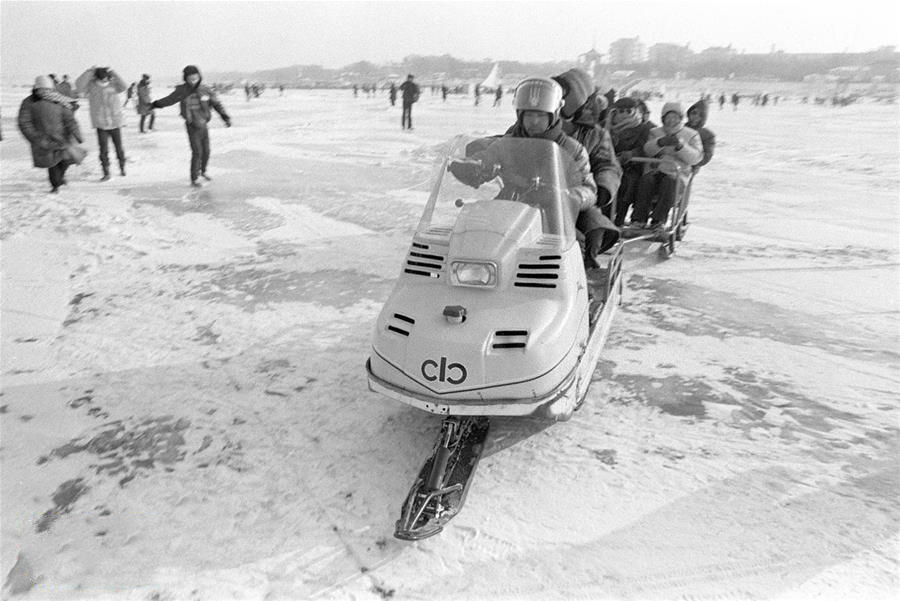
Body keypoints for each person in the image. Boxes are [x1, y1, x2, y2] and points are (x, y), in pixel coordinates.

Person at [449, 77, 617, 267]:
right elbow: (489, 156)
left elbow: (589, 188)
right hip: (516, 203)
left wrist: (566, 195)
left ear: (553, 115)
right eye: (528, 115)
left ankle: (580, 284)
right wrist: (474, 166)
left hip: (560, 209)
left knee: (576, 245)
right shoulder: (508, 143)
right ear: (520, 116)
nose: (534, 121)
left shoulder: (574, 149)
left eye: (540, 115)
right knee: (482, 233)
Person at [551, 68, 621, 225]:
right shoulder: (535, 123)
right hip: (529, 193)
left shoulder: (595, 134)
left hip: (577, 197)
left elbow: (607, 165)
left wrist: (603, 187)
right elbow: (509, 142)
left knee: (593, 227)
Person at [151, 65, 231, 187]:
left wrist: (225, 116)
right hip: (192, 125)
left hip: (203, 124)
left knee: (207, 151)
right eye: (190, 78)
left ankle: (203, 171)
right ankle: (194, 177)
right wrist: (156, 104)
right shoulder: (182, 91)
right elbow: (170, 99)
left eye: (196, 78)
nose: (193, 81)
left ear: (199, 77)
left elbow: (216, 104)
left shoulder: (205, 90)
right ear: (186, 79)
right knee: (197, 151)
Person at [628, 102, 703, 231]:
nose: (671, 120)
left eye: (675, 117)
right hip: (656, 169)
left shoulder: (691, 135)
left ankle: (658, 220)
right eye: (668, 117)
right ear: (663, 118)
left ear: (680, 118)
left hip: (677, 173)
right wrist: (659, 143)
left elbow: (695, 157)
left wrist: (681, 146)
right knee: (647, 181)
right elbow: (648, 150)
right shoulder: (655, 132)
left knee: (669, 182)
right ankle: (638, 219)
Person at [17, 75, 84, 193]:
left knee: (65, 160)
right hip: (44, 139)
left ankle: (59, 178)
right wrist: (36, 138)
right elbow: (24, 123)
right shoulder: (29, 102)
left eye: (48, 89)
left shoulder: (58, 100)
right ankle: (55, 185)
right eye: (42, 89)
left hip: (62, 137)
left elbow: (69, 119)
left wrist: (77, 133)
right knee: (52, 163)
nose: (45, 92)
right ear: (36, 89)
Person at [609, 97, 655, 226]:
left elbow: (644, 148)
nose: (624, 114)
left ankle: (619, 219)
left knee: (628, 183)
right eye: (621, 111)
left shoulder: (643, 128)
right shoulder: (608, 127)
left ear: (635, 111)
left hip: (632, 166)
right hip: (610, 165)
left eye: (628, 111)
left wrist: (631, 154)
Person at [75, 66, 128, 180]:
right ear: (97, 77)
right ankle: (106, 172)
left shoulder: (113, 85)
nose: (104, 80)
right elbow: (79, 86)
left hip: (115, 122)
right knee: (103, 150)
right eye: (102, 78)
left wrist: (114, 72)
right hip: (101, 124)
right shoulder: (91, 86)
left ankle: (122, 167)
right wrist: (89, 72)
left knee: (119, 147)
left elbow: (124, 86)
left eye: (106, 78)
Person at [686, 100, 715, 173]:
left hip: (689, 169)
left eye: (700, 115)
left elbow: (706, 156)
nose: (696, 117)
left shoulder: (708, 135)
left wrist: (695, 163)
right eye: (694, 113)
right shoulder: (678, 128)